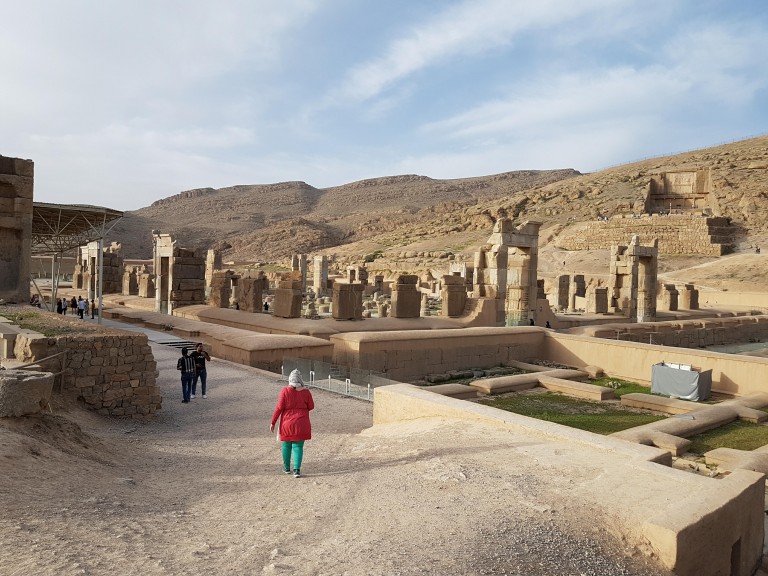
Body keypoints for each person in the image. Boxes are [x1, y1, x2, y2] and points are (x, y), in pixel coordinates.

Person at [270, 370, 314, 478]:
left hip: (287, 423)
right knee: (298, 446)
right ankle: (297, 470)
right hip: (302, 423)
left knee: (286, 445)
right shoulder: (306, 392)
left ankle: (286, 468)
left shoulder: (285, 391)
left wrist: (273, 422)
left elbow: (279, 408)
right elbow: (311, 406)